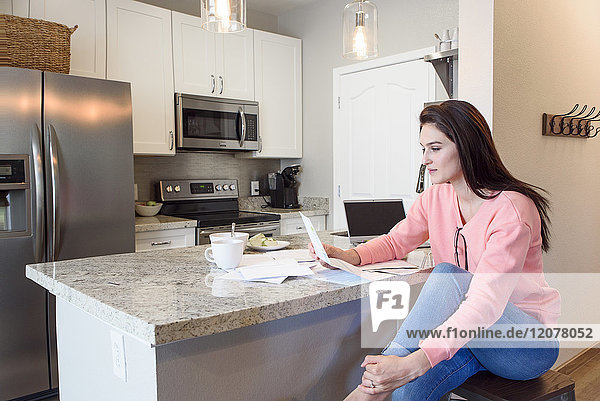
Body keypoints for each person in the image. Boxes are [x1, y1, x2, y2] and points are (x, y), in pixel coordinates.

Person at [309, 100, 560, 401]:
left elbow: (485, 305)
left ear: (467, 146)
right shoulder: (436, 197)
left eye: (435, 148)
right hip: (469, 338)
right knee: (405, 392)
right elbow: (395, 242)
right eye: (423, 149)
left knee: (447, 276)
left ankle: (371, 388)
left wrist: (413, 362)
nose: (426, 159)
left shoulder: (512, 209)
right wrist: (349, 255)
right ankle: (384, 381)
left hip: (524, 344)